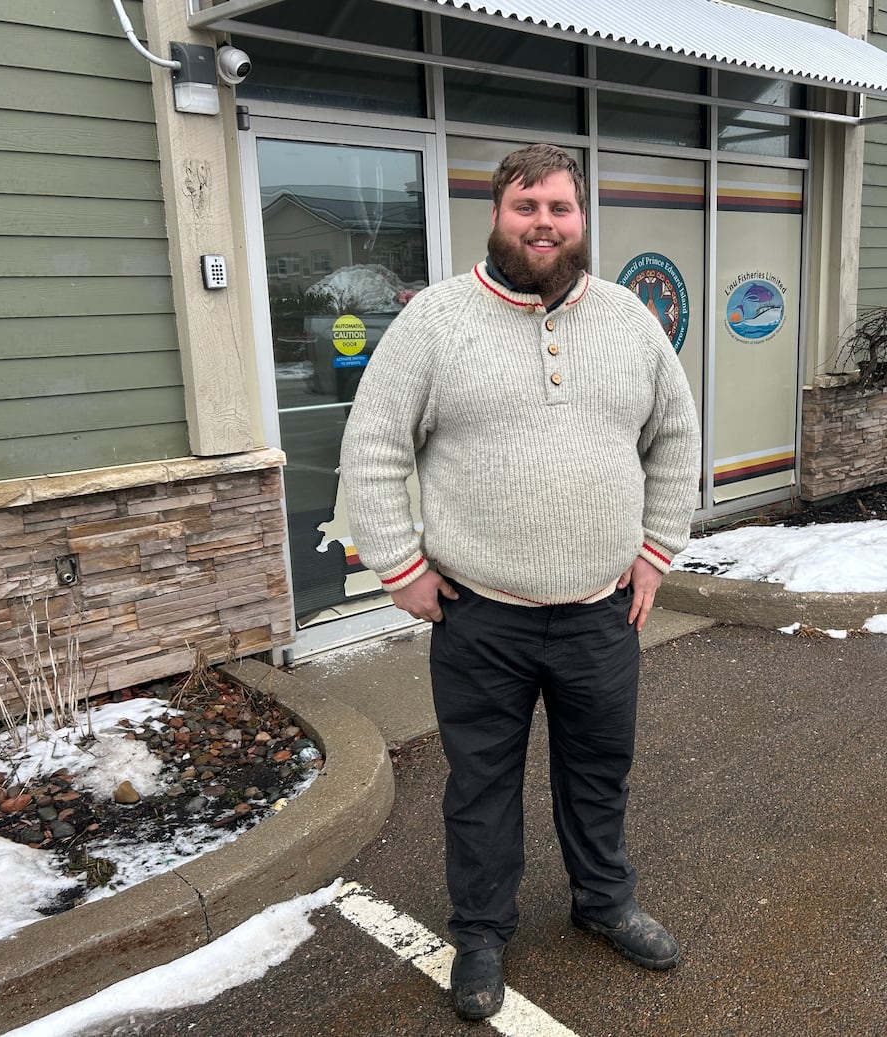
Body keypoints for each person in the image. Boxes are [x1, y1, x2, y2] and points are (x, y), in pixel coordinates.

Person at [339, 143, 700, 1021]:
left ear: (582, 220)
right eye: (526, 206)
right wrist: (402, 570)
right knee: (482, 783)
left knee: (598, 772)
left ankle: (604, 900)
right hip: (480, 620)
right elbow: (375, 444)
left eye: (560, 208)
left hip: (600, 614)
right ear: (496, 216)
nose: (544, 222)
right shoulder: (434, 322)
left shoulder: (629, 322)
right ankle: (481, 931)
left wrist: (654, 554)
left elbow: (675, 438)